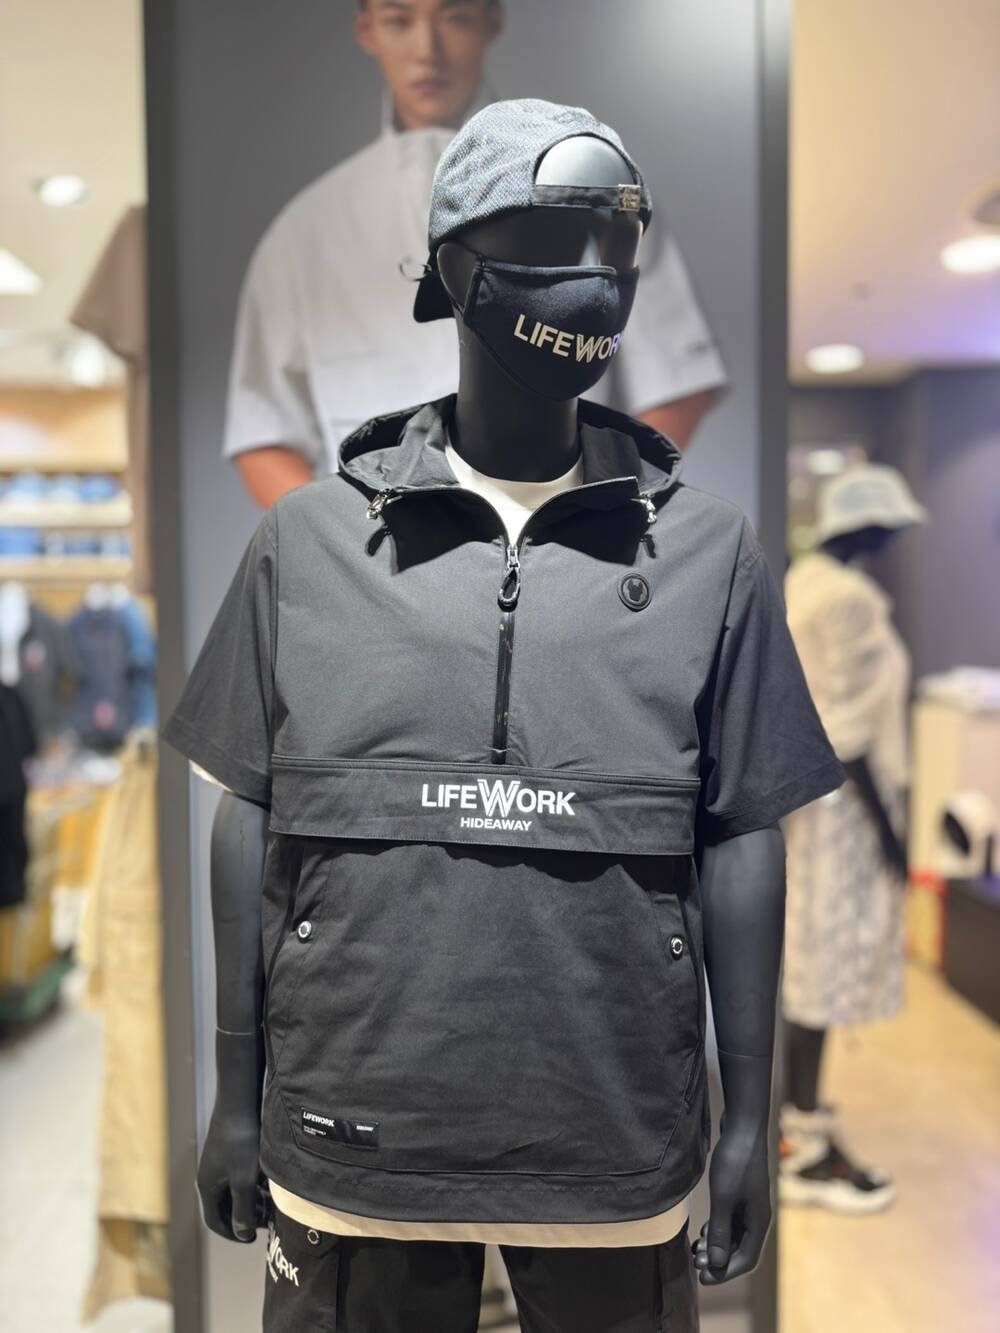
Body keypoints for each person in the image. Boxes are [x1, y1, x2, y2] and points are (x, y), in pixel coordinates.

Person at [163, 99, 843, 1331]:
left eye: (615, 243)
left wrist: (752, 1117)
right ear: (453, 269)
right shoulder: (307, 542)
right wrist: (232, 1090)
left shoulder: (708, 553)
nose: (592, 276)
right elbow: (244, 812)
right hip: (351, 1139)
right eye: (546, 238)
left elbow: (745, 830)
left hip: (613, 1144)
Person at [224, 0, 728, 509]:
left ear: (492, 20)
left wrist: (599, 514)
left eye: (455, 17)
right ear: (368, 29)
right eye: (399, 20)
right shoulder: (305, 231)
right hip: (383, 547)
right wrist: (350, 543)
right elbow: (266, 430)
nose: (428, 51)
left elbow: (679, 380)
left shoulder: (597, 198)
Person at [779, 463, 927, 1214]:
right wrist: (893, 837)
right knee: (822, 970)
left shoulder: (804, 581)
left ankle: (797, 1124)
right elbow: (854, 730)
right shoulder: (848, 598)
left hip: (812, 799)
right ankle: (803, 1144)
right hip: (845, 808)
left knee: (809, 961)